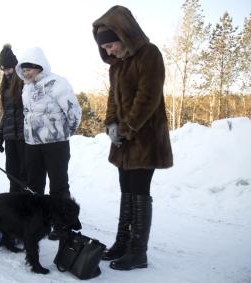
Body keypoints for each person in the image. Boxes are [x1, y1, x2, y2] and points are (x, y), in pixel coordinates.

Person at [92, 5, 173, 270]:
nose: (108, 51)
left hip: (145, 140)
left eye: (111, 45)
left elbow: (147, 98)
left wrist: (126, 129)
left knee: (139, 192)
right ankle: (122, 242)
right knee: (126, 191)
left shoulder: (149, 55)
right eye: (104, 48)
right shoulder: (116, 66)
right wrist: (111, 125)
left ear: (124, 36)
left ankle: (139, 252)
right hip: (123, 142)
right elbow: (113, 100)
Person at [15, 47, 82, 240]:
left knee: (59, 185)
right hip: (32, 144)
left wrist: (63, 133)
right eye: (24, 69)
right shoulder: (26, 88)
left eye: (29, 69)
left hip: (55, 144)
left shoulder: (57, 83)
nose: (26, 73)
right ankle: (36, 222)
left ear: (40, 67)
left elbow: (74, 112)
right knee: (34, 185)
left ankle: (63, 225)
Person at [0, 44, 26, 193]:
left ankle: (26, 203)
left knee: (24, 172)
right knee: (11, 172)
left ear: (15, 66)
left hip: (23, 136)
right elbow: (6, 114)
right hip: (10, 137)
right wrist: (0, 135)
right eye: (4, 69)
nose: (6, 72)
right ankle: (14, 201)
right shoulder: (4, 86)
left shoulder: (24, 83)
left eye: (9, 68)